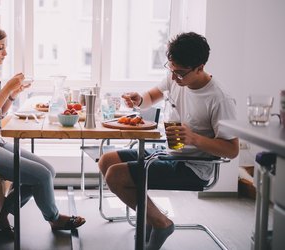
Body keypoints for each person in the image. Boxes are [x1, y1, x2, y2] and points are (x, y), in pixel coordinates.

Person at [98, 32, 239, 249]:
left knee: (115, 175)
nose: (173, 78)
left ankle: (160, 222)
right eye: (171, 70)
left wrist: (194, 138)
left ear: (200, 68)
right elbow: (152, 96)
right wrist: (139, 100)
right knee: (106, 160)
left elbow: (232, 150)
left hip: (195, 167)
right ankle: (153, 217)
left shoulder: (220, 98)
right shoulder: (177, 76)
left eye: (180, 73)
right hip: (171, 152)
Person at [0, 25, 86, 237]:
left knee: (48, 171)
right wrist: (6, 88)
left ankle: (2, 214)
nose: (5, 53)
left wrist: (13, 94)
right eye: (1, 47)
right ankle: (54, 219)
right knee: (41, 176)